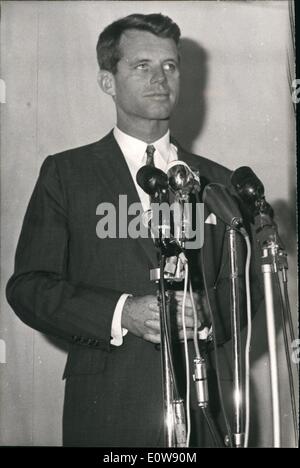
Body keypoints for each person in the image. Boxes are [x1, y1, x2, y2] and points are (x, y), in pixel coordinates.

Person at [6, 13, 263, 447]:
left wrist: (205, 313)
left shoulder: (219, 182)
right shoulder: (67, 174)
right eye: (142, 66)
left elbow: (245, 288)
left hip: (206, 407)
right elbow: (29, 288)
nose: (160, 78)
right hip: (108, 405)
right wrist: (122, 312)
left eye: (170, 65)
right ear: (108, 81)